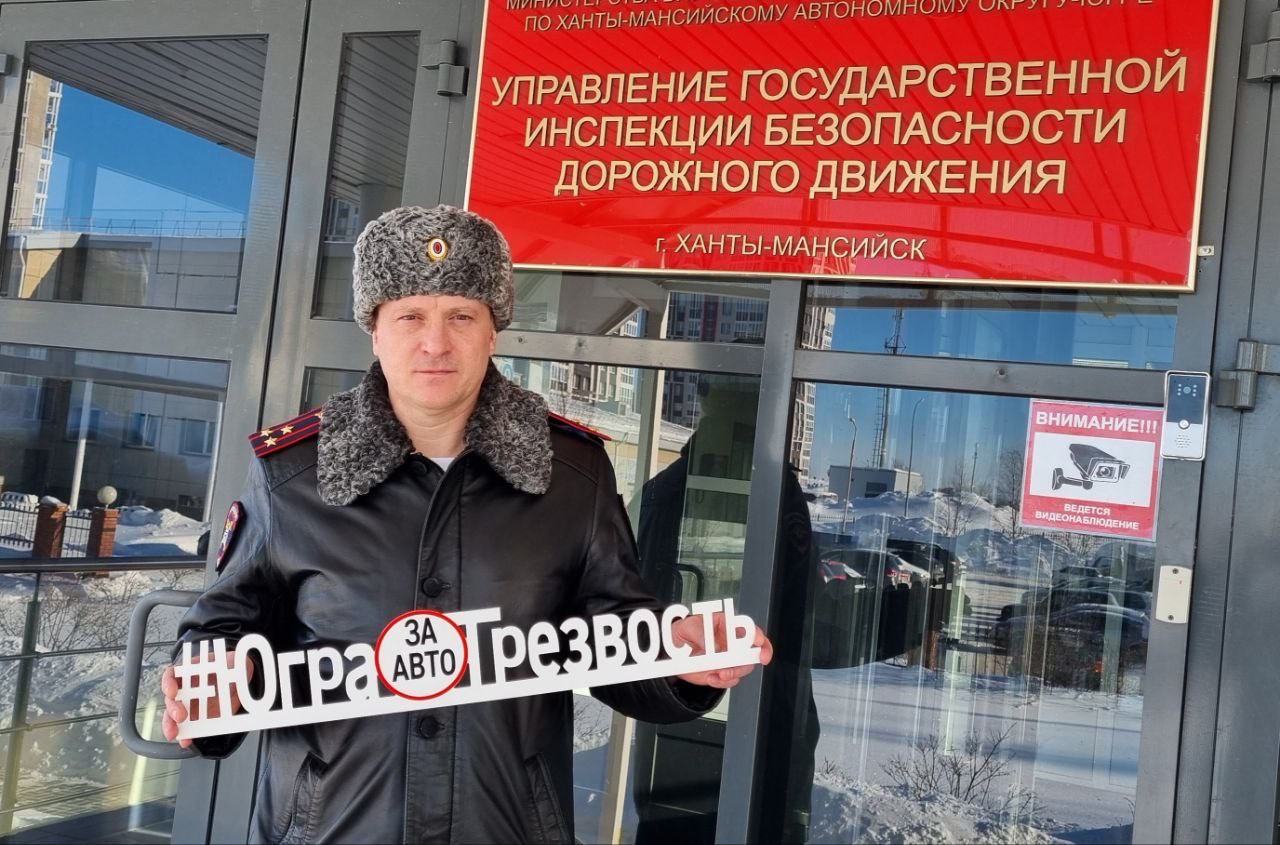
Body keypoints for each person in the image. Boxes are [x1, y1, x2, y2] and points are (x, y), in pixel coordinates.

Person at [160, 205, 772, 844]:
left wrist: (673, 656)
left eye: (460, 315)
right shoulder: (292, 475)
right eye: (410, 316)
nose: (435, 343)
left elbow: (614, 633)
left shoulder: (572, 474)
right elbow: (222, 625)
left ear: (492, 332)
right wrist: (213, 676)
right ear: (375, 331)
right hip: (331, 829)